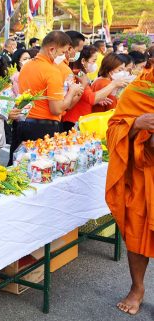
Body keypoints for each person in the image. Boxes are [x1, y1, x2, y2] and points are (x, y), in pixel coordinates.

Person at [105, 56, 154, 316]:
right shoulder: (137, 91)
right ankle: (137, 288)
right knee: (136, 232)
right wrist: (136, 124)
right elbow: (113, 129)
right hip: (143, 173)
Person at [10, 31, 82, 160]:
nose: (64, 56)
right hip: (43, 128)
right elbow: (56, 109)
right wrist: (72, 91)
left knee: (20, 167)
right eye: (62, 52)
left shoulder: (27, 66)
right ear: (52, 50)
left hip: (23, 124)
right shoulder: (52, 71)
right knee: (40, 170)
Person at [61, 46, 129, 132]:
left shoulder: (82, 74)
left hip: (79, 119)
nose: (95, 64)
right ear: (83, 61)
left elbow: (85, 97)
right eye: (93, 61)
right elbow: (91, 98)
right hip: (74, 120)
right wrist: (113, 85)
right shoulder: (79, 74)